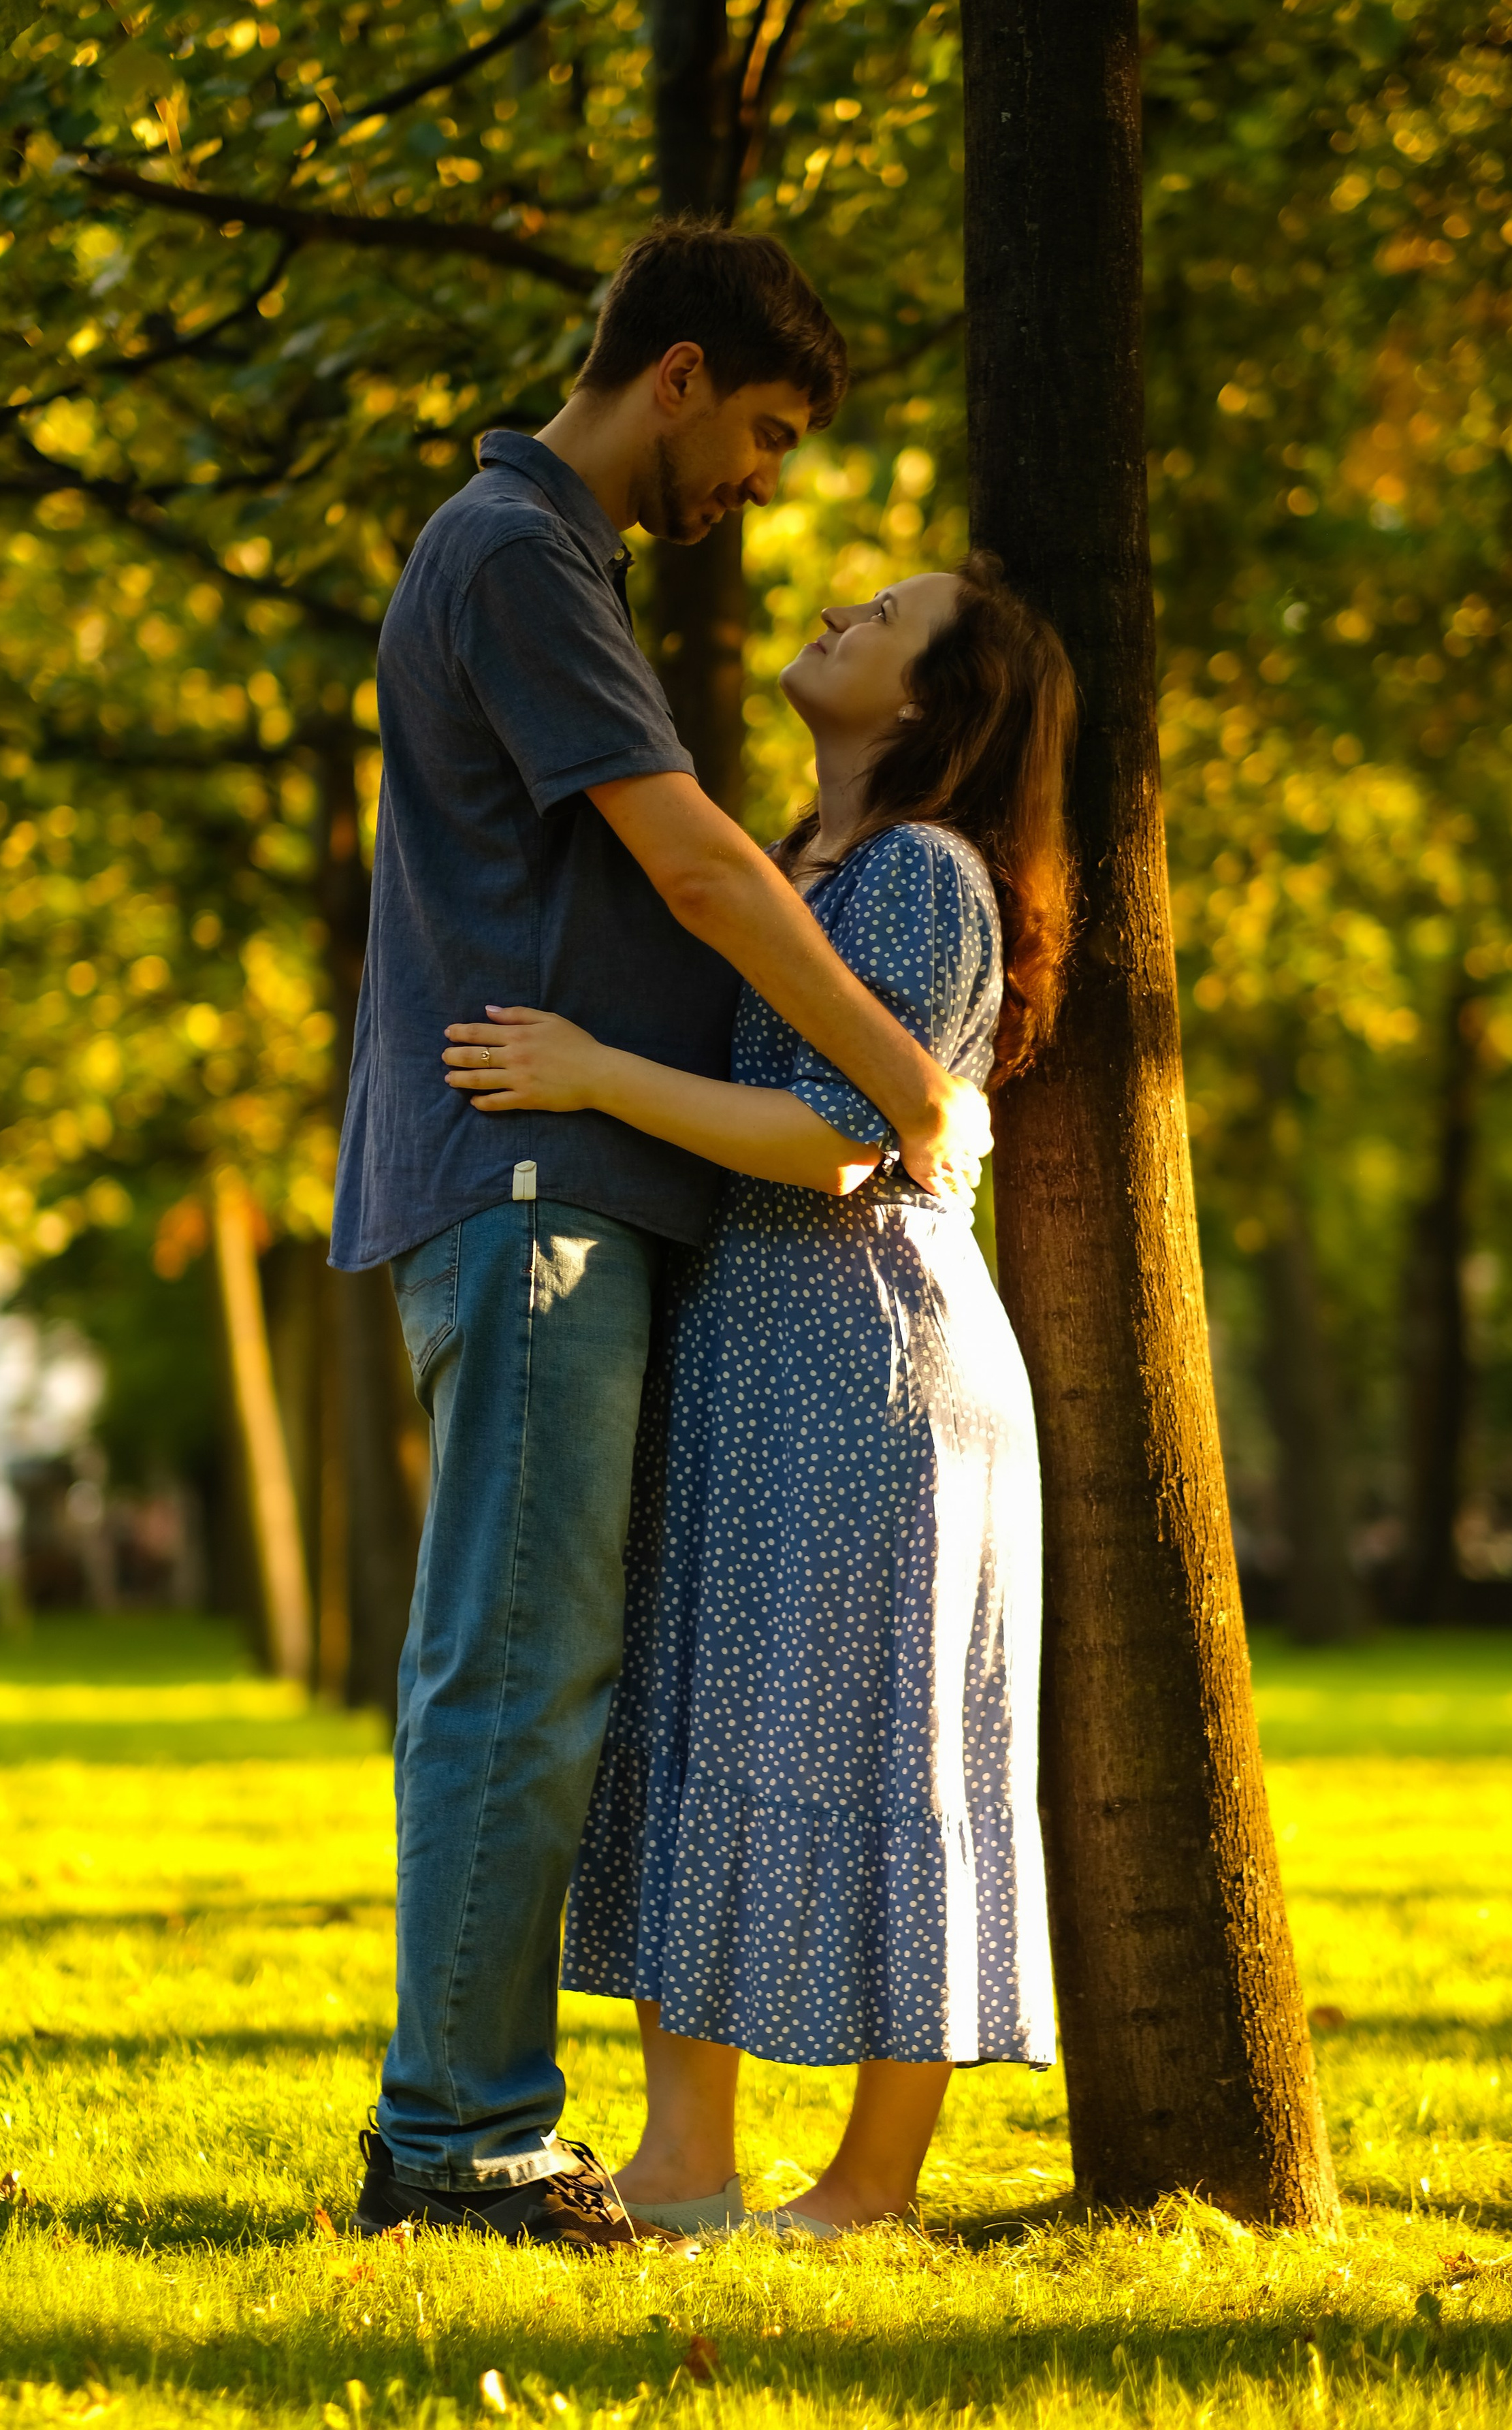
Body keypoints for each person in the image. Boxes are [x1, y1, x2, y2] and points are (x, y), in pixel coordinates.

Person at [331, 220, 994, 2254]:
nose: (770, 486)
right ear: (681, 377)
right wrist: (914, 1087)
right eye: (773, 431)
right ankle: (458, 2145)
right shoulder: (524, 552)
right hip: (530, 1201)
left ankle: (461, 2126)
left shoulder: (545, 559)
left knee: (526, 1667)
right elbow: (701, 869)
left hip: (551, 1193)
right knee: (519, 1674)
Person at [445, 554, 1076, 2238]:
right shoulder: (796, 859)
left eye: (889, 619)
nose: (843, 613)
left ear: (938, 702)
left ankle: (870, 2187)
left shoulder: (922, 874)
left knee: (894, 1748)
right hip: (749, 1335)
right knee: (697, 1721)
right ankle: (686, 2162)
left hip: (871, 1356)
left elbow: (834, 1141)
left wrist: (590, 1075)